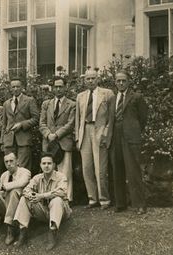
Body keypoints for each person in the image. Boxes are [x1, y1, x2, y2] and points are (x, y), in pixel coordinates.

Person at [14, 153, 72, 250]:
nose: (46, 166)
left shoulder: (61, 176)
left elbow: (61, 192)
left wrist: (41, 196)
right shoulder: (37, 178)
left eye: (49, 163)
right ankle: (22, 232)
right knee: (25, 198)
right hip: (44, 212)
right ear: (40, 165)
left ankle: (52, 233)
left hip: (61, 213)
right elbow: (26, 190)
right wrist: (33, 196)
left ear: (54, 165)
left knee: (57, 200)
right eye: (44, 163)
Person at [110, 71, 148, 214]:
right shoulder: (113, 99)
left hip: (131, 138)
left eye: (123, 80)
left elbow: (143, 118)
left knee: (133, 171)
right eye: (118, 80)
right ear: (115, 82)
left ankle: (139, 204)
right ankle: (121, 203)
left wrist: (134, 132)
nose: (121, 83)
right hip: (116, 137)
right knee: (117, 169)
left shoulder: (136, 97)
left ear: (129, 81)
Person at [75, 70, 114, 209]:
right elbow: (77, 118)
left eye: (93, 78)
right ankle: (92, 199)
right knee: (87, 167)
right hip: (85, 131)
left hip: (100, 131)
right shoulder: (80, 96)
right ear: (84, 80)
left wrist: (106, 133)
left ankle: (104, 199)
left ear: (98, 79)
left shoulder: (107, 93)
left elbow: (111, 117)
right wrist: (77, 137)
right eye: (88, 79)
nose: (90, 81)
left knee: (100, 168)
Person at [39, 76, 75, 203]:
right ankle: (48, 198)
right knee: (48, 170)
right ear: (52, 88)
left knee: (65, 172)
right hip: (48, 142)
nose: (58, 89)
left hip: (64, 141)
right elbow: (42, 123)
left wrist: (57, 134)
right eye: (56, 87)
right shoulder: (46, 104)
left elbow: (70, 124)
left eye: (61, 86)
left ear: (65, 87)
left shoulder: (72, 104)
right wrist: (48, 134)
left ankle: (66, 198)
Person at [0, 152, 31, 244]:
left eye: (11, 161)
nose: (9, 164)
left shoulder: (25, 172)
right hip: (6, 206)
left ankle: (11, 229)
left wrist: (1, 187)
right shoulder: (4, 175)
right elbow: (2, 194)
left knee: (13, 191)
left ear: (17, 161)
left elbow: (21, 183)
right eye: (6, 162)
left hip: (20, 209)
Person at [0, 78, 39, 170]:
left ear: (22, 87)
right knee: (10, 167)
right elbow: (4, 124)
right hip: (9, 141)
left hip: (24, 140)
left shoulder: (29, 100)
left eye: (18, 86)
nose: (15, 89)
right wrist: (2, 141)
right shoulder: (6, 103)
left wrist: (22, 124)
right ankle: (11, 184)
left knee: (22, 168)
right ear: (10, 88)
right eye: (13, 87)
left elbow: (36, 118)